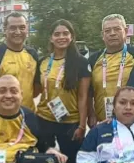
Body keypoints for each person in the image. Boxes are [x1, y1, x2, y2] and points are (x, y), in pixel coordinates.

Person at [34, 19, 92, 155]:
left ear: (71, 37)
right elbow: (36, 91)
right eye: (57, 34)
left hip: (70, 121)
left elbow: (83, 97)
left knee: (71, 161)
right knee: (45, 159)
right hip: (44, 119)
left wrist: (82, 125)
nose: (61, 37)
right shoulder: (43, 62)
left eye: (65, 33)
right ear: (51, 38)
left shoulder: (81, 63)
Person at [87, 14, 134, 124]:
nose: (112, 33)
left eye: (117, 29)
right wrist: (91, 114)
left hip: (132, 121)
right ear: (102, 35)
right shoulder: (93, 60)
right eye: (107, 31)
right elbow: (88, 92)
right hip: (102, 122)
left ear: (126, 31)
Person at [0, 12, 40, 110]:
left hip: (28, 114)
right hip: (3, 116)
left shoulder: (33, 54)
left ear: (27, 29)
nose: (18, 32)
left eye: (22, 27)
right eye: (13, 28)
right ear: (5, 30)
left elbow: (36, 89)